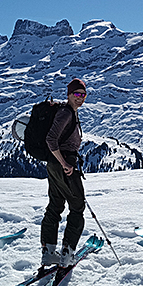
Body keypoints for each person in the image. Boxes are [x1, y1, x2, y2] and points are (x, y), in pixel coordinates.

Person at [40, 78, 87, 268]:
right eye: (76, 94)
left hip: (55, 165)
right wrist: (65, 163)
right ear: (68, 95)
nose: (80, 98)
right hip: (64, 165)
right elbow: (51, 139)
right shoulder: (66, 113)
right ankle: (67, 253)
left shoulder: (68, 112)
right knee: (77, 207)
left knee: (55, 205)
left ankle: (49, 253)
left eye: (83, 94)